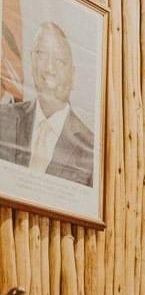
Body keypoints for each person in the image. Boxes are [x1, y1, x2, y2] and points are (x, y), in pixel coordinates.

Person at [0, 23, 94, 185]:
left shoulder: (90, 148)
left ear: (73, 75)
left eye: (60, 61)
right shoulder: (3, 118)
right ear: (31, 60)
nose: (49, 68)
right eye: (41, 54)